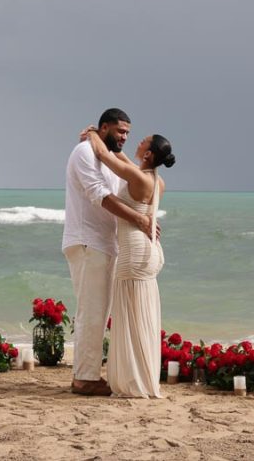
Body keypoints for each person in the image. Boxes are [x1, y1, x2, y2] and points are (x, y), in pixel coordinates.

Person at [63, 108, 155, 396]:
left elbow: (134, 189)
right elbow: (98, 194)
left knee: (100, 312)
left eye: (128, 132)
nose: (125, 137)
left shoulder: (109, 155)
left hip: (106, 242)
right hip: (87, 240)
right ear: (104, 128)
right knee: (91, 310)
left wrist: (142, 215)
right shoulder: (83, 152)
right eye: (119, 131)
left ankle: (89, 373)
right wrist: (138, 219)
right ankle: (85, 378)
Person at [84, 128, 175, 398]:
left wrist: (92, 133)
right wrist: (108, 141)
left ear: (147, 154)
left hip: (135, 254)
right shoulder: (157, 181)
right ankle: (143, 377)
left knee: (129, 317)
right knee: (141, 316)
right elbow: (121, 158)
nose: (138, 140)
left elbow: (103, 154)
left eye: (143, 141)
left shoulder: (137, 176)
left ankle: (134, 381)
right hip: (151, 252)